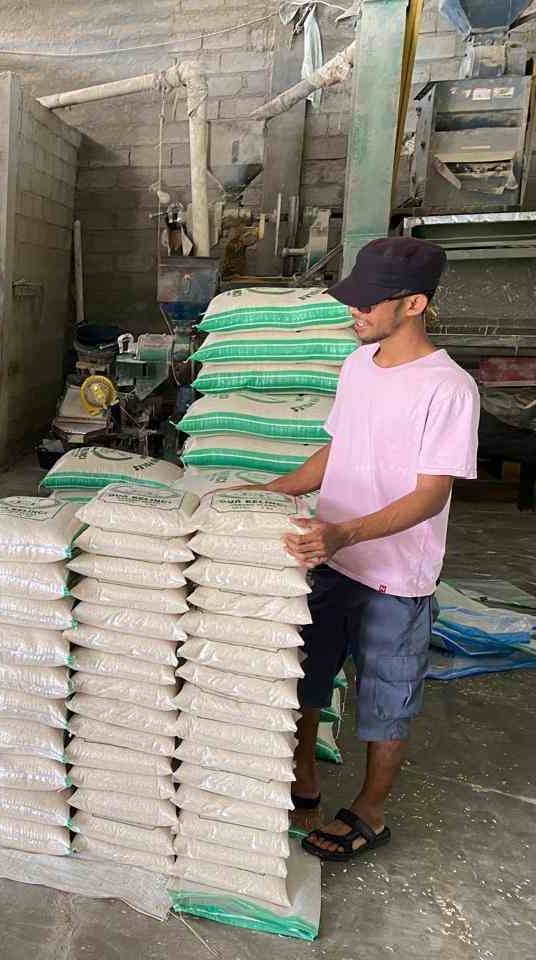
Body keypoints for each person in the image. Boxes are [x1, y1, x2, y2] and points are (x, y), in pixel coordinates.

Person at [249, 237, 479, 862]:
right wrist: (268, 493)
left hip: (395, 576)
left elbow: (430, 496)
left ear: (414, 304)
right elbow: (339, 448)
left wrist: (346, 532)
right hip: (330, 557)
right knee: (305, 674)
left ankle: (371, 812)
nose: (354, 312)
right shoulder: (357, 365)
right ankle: (302, 776)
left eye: (368, 303)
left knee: (387, 695)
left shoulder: (448, 388)